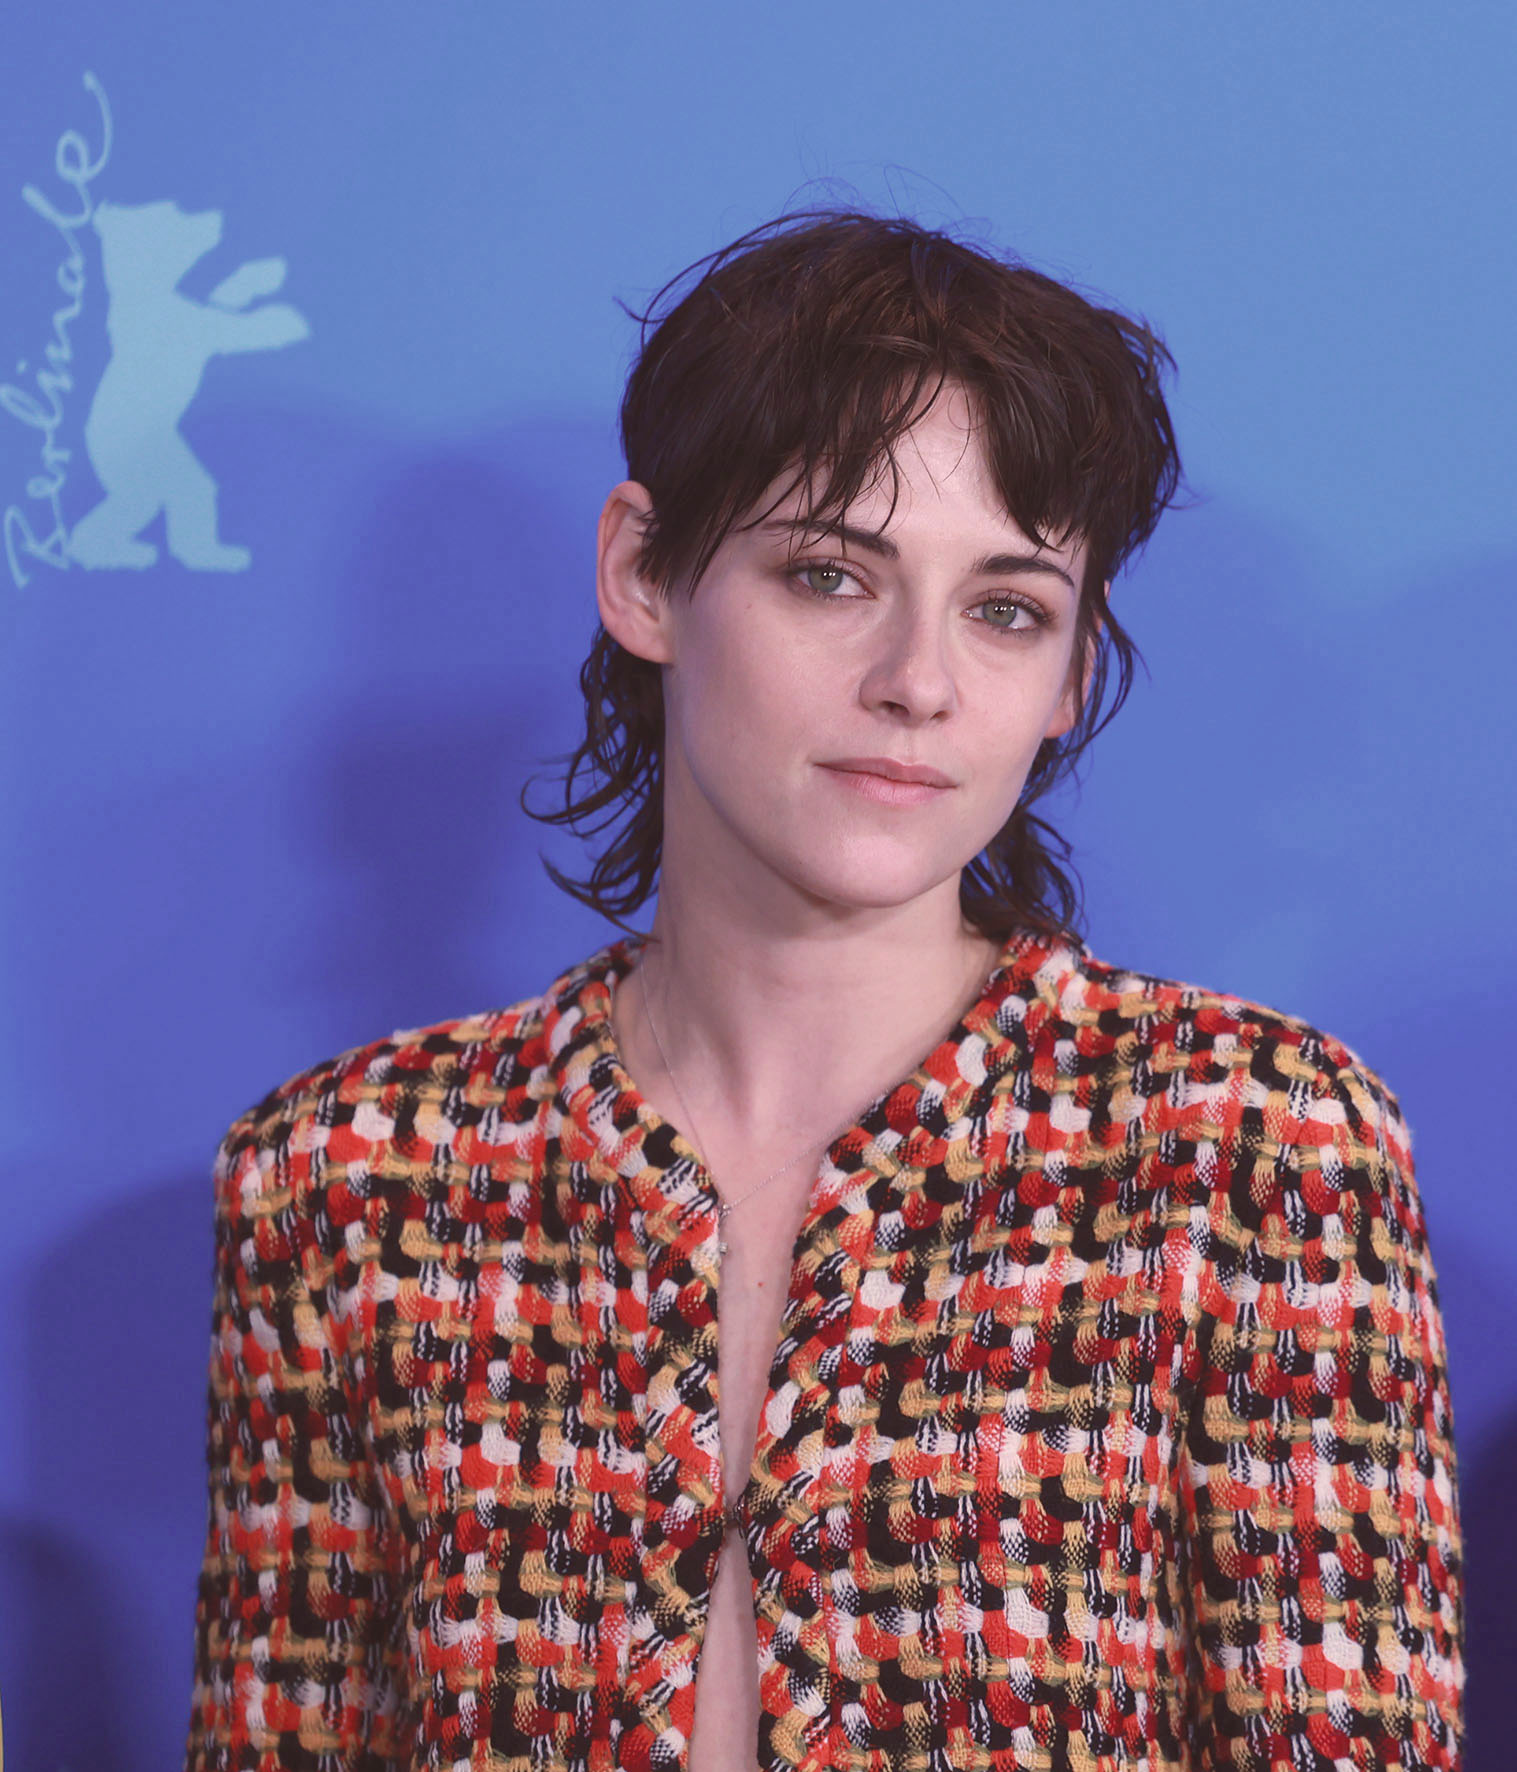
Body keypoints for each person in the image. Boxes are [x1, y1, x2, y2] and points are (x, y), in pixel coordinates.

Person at [184, 208, 1465, 1772]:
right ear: (643, 574)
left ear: (1069, 676)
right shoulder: (346, 1176)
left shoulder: (1248, 1148)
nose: (917, 680)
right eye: (827, 575)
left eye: (1005, 608)